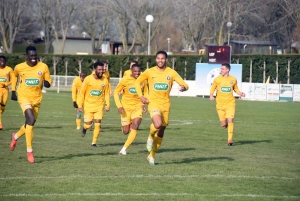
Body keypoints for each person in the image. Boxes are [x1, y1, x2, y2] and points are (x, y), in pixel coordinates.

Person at [135, 50, 189, 165]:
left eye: (162, 58)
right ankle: (150, 136)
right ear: (156, 59)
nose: (160, 60)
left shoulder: (172, 72)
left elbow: (184, 84)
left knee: (161, 131)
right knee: (157, 124)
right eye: (158, 58)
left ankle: (151, 156)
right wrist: (141, 97)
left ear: (166, 60)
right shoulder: (149, 72)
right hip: (153, 103)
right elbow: (137, 82)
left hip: (166, 105)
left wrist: (184, 87)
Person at [10, 46, 52, 163]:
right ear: (27, 56)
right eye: (31, 56)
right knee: (30, 119)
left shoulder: (43, 67)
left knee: (30, 124)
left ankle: (15, 137)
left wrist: (47, 83)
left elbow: (48, 81)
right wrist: (13, 90)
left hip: (37, 99)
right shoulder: (19, 67)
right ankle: (29, 151)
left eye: (35, 55)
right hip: (24, 97)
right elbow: (14, 76)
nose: (33, 58)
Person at [114, 64, 147, 155]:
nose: (137, 73)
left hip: (137, 107)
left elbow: (146, 92)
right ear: (131, 71)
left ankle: (124, 148)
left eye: (138, 71)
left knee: (136, 124)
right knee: (126, 131)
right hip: (125, 108)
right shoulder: (125, 80)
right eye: (135, 71)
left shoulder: (143, 80)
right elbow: (116, 92)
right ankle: (127, 126)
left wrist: (143, 104)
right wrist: (119, 106)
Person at [209, 63, 245, 146]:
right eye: (221, 69)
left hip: (230, 104)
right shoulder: (217, 79)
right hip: (220, 105)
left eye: (222, 69)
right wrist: (211, 95)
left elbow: (236, 89)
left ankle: (230, 139)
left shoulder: (233, 79)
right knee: (224, 124)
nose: (221, 70)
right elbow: (213, 88)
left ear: (227, 70)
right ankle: (224, 124)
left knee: (230, 120)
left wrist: (240, 93)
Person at [77, 61, 110, 147]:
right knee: (88, 124)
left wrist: (108, 105)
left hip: (99, 106)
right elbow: (82, 93)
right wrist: (80, 105)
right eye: (99, 69)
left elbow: (106, 93)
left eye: (102, 70)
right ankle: (84, 128)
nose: (101, 71)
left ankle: (94, 142)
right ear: (95, 69)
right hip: (88, 106)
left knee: (98, 123)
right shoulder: (88, 79)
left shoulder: (105, 80)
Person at [0, 55, 14, 130]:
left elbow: (13, 79)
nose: (2, 62)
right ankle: (0, 124)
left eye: (3, 61)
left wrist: (6, 84)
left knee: (2, 107)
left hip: (5, 90)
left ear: (5, 62)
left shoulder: (9, 69)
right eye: (0, 61)